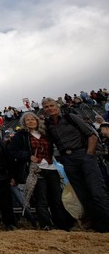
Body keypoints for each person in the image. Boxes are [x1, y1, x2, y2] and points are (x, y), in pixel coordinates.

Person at [41, 97, 109, 232]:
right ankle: (97, 224)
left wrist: (89, 156)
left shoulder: (70, 117)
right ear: (44, 110)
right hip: (67, 160)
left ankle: (106, 222)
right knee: (82, 193)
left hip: (83, 154)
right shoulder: (47, 125)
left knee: (97, 191)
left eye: (51, 105)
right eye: (46, 107)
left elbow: (92, 135)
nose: (49, 108)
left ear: (57, 106)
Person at [8, 112, 69, 231]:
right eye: (27, 120)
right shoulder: (21, 135)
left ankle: (61, 225)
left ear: (37, 121)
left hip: (51, 168)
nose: (30, 121)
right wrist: (28, 156)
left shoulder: (45, 133)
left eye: (32, 119)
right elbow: (13, 152)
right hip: (36, 170)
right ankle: (45, 225)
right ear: (24, 123)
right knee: (41, 199)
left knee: (56, 199)